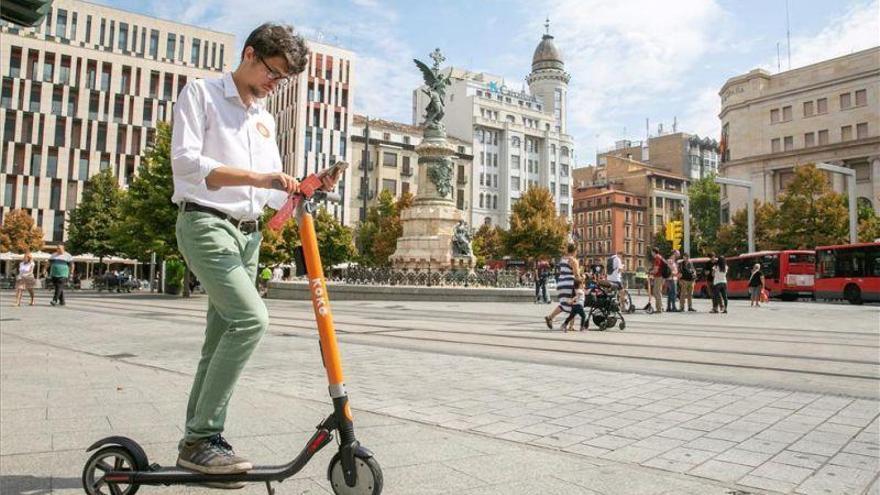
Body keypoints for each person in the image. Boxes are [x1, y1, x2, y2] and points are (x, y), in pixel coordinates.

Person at [170, 22, 310, 479]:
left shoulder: (264, 118)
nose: (276, 83)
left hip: (248, 236)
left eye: (284, 78)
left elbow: (272, 197)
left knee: (218, 340)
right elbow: (188, 164)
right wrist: (260, 179)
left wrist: (302, 189)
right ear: (249, 54)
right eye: (274, 71)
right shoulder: (202, 95)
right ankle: (202, 435)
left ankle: (198, 441)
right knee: (252, 319)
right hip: (206, 221)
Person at [545, 243, 580, 329]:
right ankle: (570, 326)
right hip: (569, 283)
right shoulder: (573, 260)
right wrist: (583, 278)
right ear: (575, 251)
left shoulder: (563, 259)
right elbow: (576, 275)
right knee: (574, 303)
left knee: (564, 303)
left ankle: (550, 317)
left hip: (561, 283)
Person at [650, 247, 665, 314]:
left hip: (659, 277)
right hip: (660, 277)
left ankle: (659, 309)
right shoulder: (660, 257)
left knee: (656, 292)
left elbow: (656, 270)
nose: (651, 253)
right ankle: (660, 307)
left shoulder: (657, 258)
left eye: (651, 252)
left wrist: (650, 272)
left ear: (654, 252)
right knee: (658, 292)